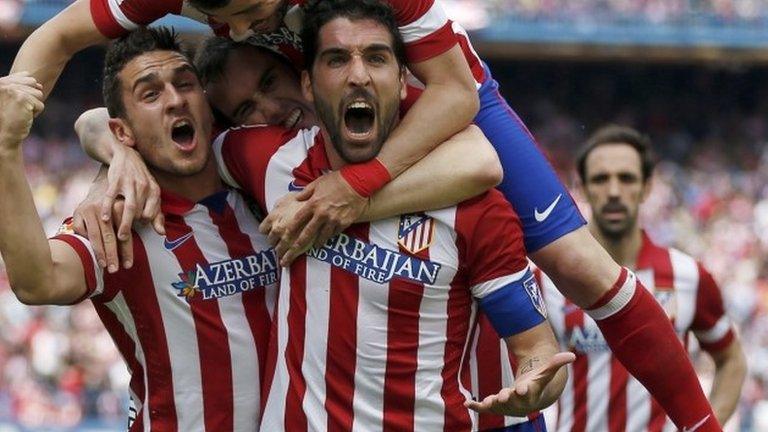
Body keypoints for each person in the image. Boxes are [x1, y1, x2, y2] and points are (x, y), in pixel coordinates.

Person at [12, 0, 723, 427]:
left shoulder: (382, 52)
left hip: (435, 97)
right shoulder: (269, 154)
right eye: (218, 19)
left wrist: (359, 189)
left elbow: (474, 148)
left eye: (254, 22)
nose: (234, 24)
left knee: (573, 263)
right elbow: (51, 44)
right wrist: (112, 146)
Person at [208, 4, 574, 429]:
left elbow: (537, 349)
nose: (358, 75)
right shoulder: (270, 160)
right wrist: (113, 144)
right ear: (308, 83)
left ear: (403, 83)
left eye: (377, 58)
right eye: (336, 59)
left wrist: (535, 383)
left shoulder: (477, 207)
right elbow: (170, 149)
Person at [0, 28, 279, 430]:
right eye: (151, 94)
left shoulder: (263, 193)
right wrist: (7, 150)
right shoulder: (122, 220)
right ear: (123, 132)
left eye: (185, 84)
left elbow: (92, 124)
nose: (175, 99)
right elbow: (37, 281)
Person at [540, 125, 747, 431]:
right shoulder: (550, 278)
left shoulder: (688, 275)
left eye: (626, 178)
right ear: (581, 186)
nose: (613, 191)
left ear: (647, 187)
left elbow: (731, 360)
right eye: (600, 179)